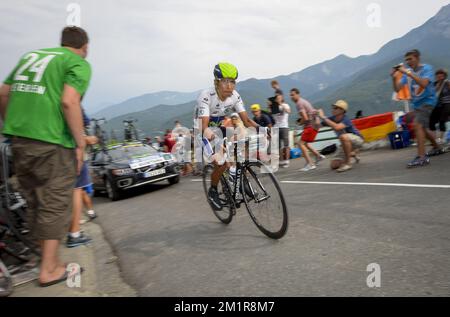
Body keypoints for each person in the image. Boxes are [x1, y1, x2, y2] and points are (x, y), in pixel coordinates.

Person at [0, 26, 91, 286]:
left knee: (36, 203)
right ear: (85, 47)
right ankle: (49, 270)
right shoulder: (76, 62)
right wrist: (80, 144)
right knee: (54, 204)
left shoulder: (31, 57)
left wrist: (13, 126)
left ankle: (48, 261)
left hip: (20, 142)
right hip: (52, 143)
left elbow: (3, 93)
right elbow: (69, 101)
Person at [194, 62, 259, 211]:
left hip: (219, 126)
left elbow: (247, 120)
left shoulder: (235, 96)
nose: (229, 86)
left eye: (232, 81)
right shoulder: (206, 96)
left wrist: (263, 130)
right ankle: (213, 191)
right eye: (225, 81)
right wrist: (216, 142)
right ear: (217, 82)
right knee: (220, 161)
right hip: (203, 129)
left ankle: (241, 183)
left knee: (238, 150)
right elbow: (204, 127)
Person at [391, 49, 443, 167]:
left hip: (428, 101)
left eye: (410, 59)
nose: (408, 62)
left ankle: (422, 157)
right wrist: (394, 78)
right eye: (406, 60)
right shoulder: (407, 73)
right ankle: (436, 147)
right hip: (417, 104)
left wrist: (408, 73)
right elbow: (397, 89)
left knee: (417, 125)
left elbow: (424, 84)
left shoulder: (427, 69)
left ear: (417, 58)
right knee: (422, 128)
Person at [67, 108, 97, 247]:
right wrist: (86, 140)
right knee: (79, 190)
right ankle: (74, 233)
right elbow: (78, 126)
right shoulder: (70, 98)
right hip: (74, 156)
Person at [318, 100, 364, 173]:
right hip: (345, 142)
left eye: (336, 108)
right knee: (334, 166)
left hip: (358, 140)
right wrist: (314, 117)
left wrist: (323, 117)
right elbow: (316, 127)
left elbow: (337, 127)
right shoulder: (331, 119)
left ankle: (348, 164)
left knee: (343, 136)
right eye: (333, 107)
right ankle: (352, 154)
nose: (333, 109)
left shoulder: (346, 119)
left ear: (342, 110)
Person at [290, 88, 325, 172]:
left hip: (310, 125)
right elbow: (307, 115)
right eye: (290, 95)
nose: (291, 97)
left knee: (300, 144)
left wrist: (300, 123)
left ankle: (310, 164)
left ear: (298, 94)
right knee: (305, 144)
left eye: (293, 95)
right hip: (316, 125)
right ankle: (318, 156)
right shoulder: (303, 101)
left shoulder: (299, 103)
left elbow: (305, 118)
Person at [429, 69, 450, 145]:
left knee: (442, 120)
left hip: (447, 103)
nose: (439, 77)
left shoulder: (447, 83)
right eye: (438, 75)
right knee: (432, 122)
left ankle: (441, 138)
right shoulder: (435, 84)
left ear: (444, 76)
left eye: (441, 75)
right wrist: (437, 86)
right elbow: (432, 93)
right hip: (438, 105)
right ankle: (435, 139)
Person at [273, 94, 291, 168]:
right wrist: (270, 106)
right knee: (278, 146)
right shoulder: (274, 107)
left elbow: (289, 111)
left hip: (284, 127)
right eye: (277, 98)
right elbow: (271, 114)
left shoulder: (286, 105)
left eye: (279, 98)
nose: (278, 99)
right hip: (276, 127)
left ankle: (286, 161)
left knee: (286, 145)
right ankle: (281, 161)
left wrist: (281, 105)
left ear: (282, 98)